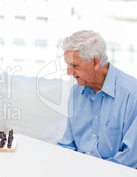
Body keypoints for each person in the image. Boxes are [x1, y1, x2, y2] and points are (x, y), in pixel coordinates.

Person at [57, 30, 137, 168]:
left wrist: (92, 175)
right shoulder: (76, 92)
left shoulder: (131, 93)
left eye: (74, 65)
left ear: (94, 62)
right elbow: (68, 144)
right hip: (77, 176)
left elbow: (130, 157)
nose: (68, 72)